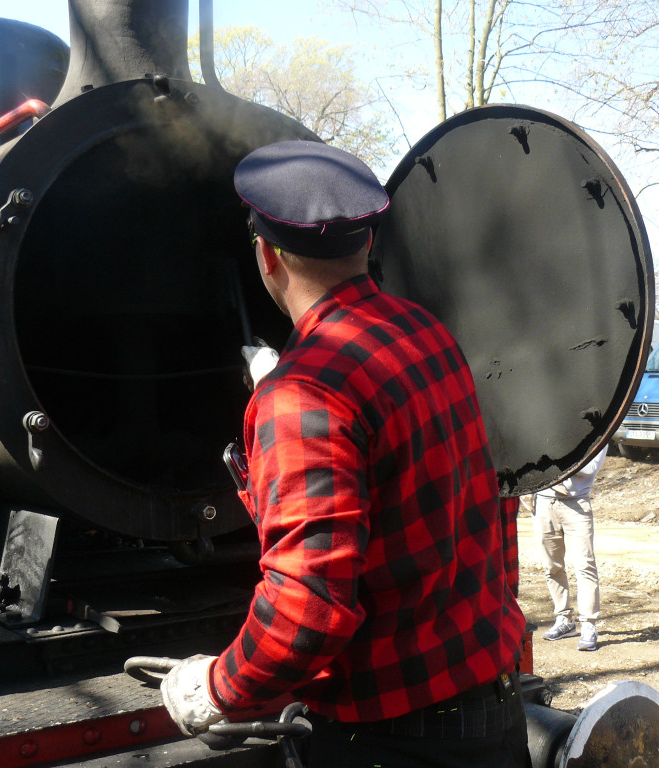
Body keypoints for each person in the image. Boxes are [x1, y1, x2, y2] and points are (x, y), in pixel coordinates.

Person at [159, 140, 531, 768]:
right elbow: (492, 504)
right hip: (489, 710)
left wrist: (218, 688)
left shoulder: (302, 396)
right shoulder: (428, 333)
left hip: (391, 741)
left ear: (267, 256)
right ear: (365, 245)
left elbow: (310, 610)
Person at [533, 445, 608, 652]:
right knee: (551, 565)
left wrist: (551, 457)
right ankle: (564, 618)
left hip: (576, 504)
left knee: (585, 566)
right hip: (544, 503)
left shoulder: (600, 432)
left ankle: (588, 625)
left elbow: (589, 467)